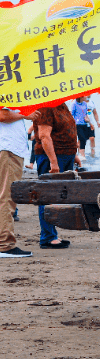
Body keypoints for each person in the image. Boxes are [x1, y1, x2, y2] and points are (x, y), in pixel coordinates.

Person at [30, 102, 78, 249]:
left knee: (56, 197)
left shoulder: (61, 105)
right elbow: (44, 136)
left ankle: (51, 234)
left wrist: (74, 155)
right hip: (52, 157)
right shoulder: (45, 106)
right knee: (47, 196)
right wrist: (53, 162)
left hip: (65, 155)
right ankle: (48, 237)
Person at [0, 108, 31, 258]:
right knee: (7, 196)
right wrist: (27, 114)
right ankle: (5, 244)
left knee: (5, 195)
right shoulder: (5, 89)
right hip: (8, 148)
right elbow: (2, 115)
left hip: (8, 148)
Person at [70, 95, 100, 159]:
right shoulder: (74, 104)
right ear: (81, 97)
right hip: (77, 124)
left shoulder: (85, 104)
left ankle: (82, 155)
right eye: (84, 96)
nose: (86, 97)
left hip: (85, 124)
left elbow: (86, 114)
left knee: (84, 140)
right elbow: (71, 114)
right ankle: (81, 155)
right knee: (82, 139)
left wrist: (91, 123)